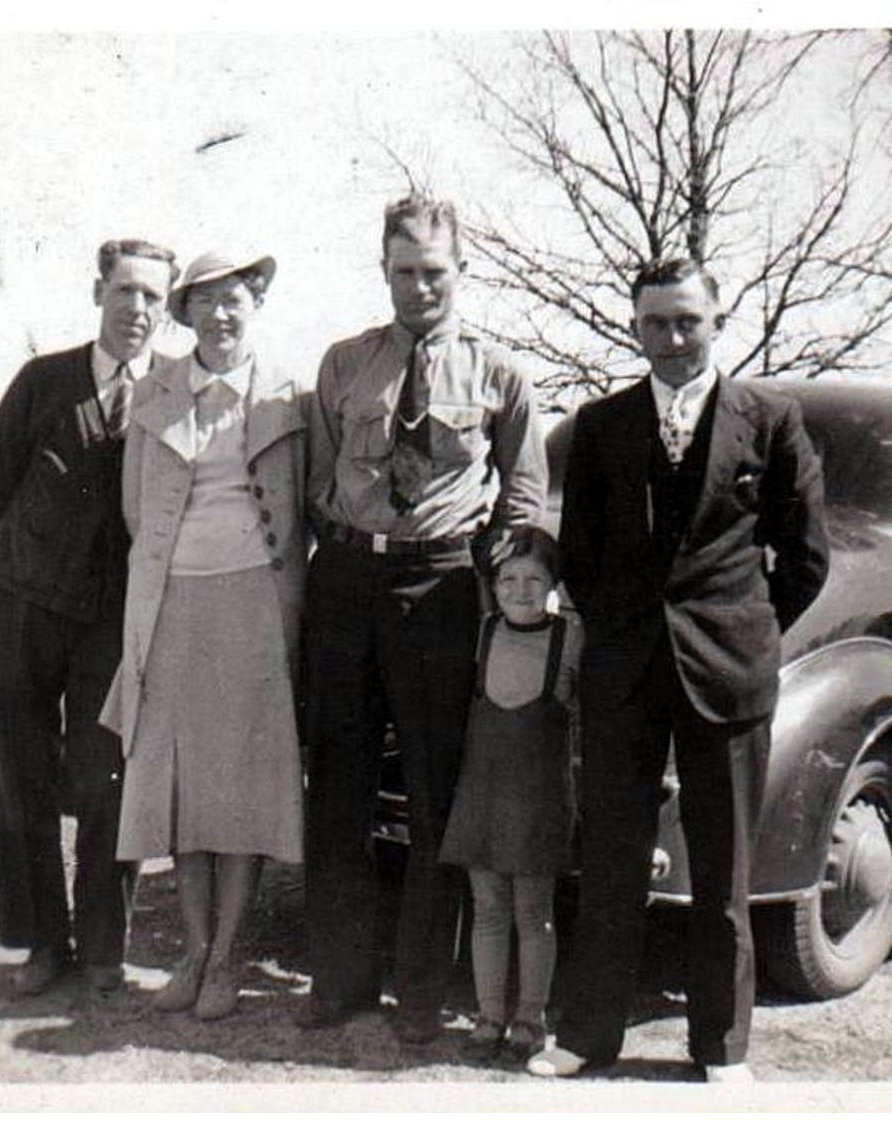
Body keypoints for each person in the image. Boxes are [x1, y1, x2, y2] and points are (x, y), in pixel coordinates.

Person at [529, 258, 829, 1081]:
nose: (672, 338)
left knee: (722, 869)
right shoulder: (600, 424)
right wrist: (624, 625)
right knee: (612, 862)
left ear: (716, 322)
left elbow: (805, 557)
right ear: (635, 328)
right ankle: (587, 1036)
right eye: (655, 323)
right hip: (624, 672)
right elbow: (581, 553)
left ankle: (722, 1047)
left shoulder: (769, 420)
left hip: (727, 673)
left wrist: (749, 634)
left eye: (688, 321)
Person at [299, 193, 548, 1045]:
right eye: (404, 272)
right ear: (384, 272)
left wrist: (488, 579)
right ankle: (338, 979)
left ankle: (420, 991)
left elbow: (521, 496)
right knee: (338, 787)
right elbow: (321, 483)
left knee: (437, 796)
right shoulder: (343, 365)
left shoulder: (501, 376)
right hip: (348, 582)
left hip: (441, 590)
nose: (420, 288)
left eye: (434, 272)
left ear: (461, 271)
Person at [0, 238, 179, 1007]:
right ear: (99, 294)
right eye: (126, 291)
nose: (138, 309)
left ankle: (101, 951)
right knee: (18, 777)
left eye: (154, 296)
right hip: (21, 605)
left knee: (107, 779)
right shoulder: (43, 381)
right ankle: (41, 945)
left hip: (112, 622)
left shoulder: (171, 393)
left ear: (168, 305)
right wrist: (5, 571)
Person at [99, 250, 307, 1021]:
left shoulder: (290, 395)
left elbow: (301, 507)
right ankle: (192, 951)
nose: (222, 316)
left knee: (243, 791)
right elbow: (134, 508)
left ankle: (227, 960)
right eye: (206, 302)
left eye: (236, 301)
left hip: (255, 604)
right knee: (183, 791)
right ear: (185, 314)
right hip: (173, 604)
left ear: (257, 306)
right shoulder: (156, 393)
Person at [438, 526, 580, 1065]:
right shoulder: (483, 634)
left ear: (554, 585)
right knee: (488, 908)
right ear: (494, 586)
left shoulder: (570, 639)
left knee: (533, 910)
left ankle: (530, 1016)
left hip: (538, 800)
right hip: (483, 794)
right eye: (509, 579)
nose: (521, 590)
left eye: (535, 579)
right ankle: (489, 1014)